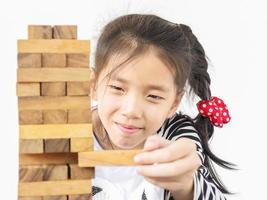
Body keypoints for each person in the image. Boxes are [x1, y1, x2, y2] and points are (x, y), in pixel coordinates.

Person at [89, 14, 234, 200]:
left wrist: (186, 186)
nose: (131, 110)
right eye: (117, 88)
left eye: (154, 96)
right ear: (93, 85)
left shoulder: (177, 135)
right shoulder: (67, 131)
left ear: (173, 103)